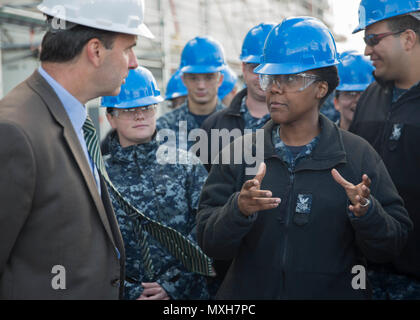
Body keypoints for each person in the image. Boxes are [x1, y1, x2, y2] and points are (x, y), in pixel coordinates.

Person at [196, 16, 412, 299]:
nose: (273, 88)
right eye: (271, 78)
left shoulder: (356, 156)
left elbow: (392, 243)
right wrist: (238, 209)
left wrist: (367, 212)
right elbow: (209, 242)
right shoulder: (238, 153)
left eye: (289, 79)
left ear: (321, 88)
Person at [0, 0, 153, 299]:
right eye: (127, 48)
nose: (134, 62)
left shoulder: (75, 120)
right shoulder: (15, 132)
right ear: (95, 51)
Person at [102, 66, 209, 300]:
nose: (140, 115)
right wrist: (128, 291)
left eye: (147, 108)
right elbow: (91, 244)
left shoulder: (186, 165)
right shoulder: (98, 174)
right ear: (111, 117)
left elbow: (205, 228)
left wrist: (173, 285)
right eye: (129, 110)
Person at [349, 0, 420, 299]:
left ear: (408, 38)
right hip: (363, 272)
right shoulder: (370, 96)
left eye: (372, 39)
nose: (367, 51)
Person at [201, 23, 274, 171]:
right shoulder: (214, 126)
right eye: (255, 68)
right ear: (243, 69)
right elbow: (204, 187)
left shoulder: (296, 124)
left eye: (269, 69)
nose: (262, 77)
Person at [156, 36, 226, 152]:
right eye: (193, 78)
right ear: (183, 80)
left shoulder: (235, 125)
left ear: (220, 79)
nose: (201, 86)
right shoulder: (165, 127)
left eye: (208, 78)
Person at [334, 51, 374, 130]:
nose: (358, 100)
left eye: (365, 94)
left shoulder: (385, 139)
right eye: (351, 94)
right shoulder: (324, 140)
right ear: (336, 102)